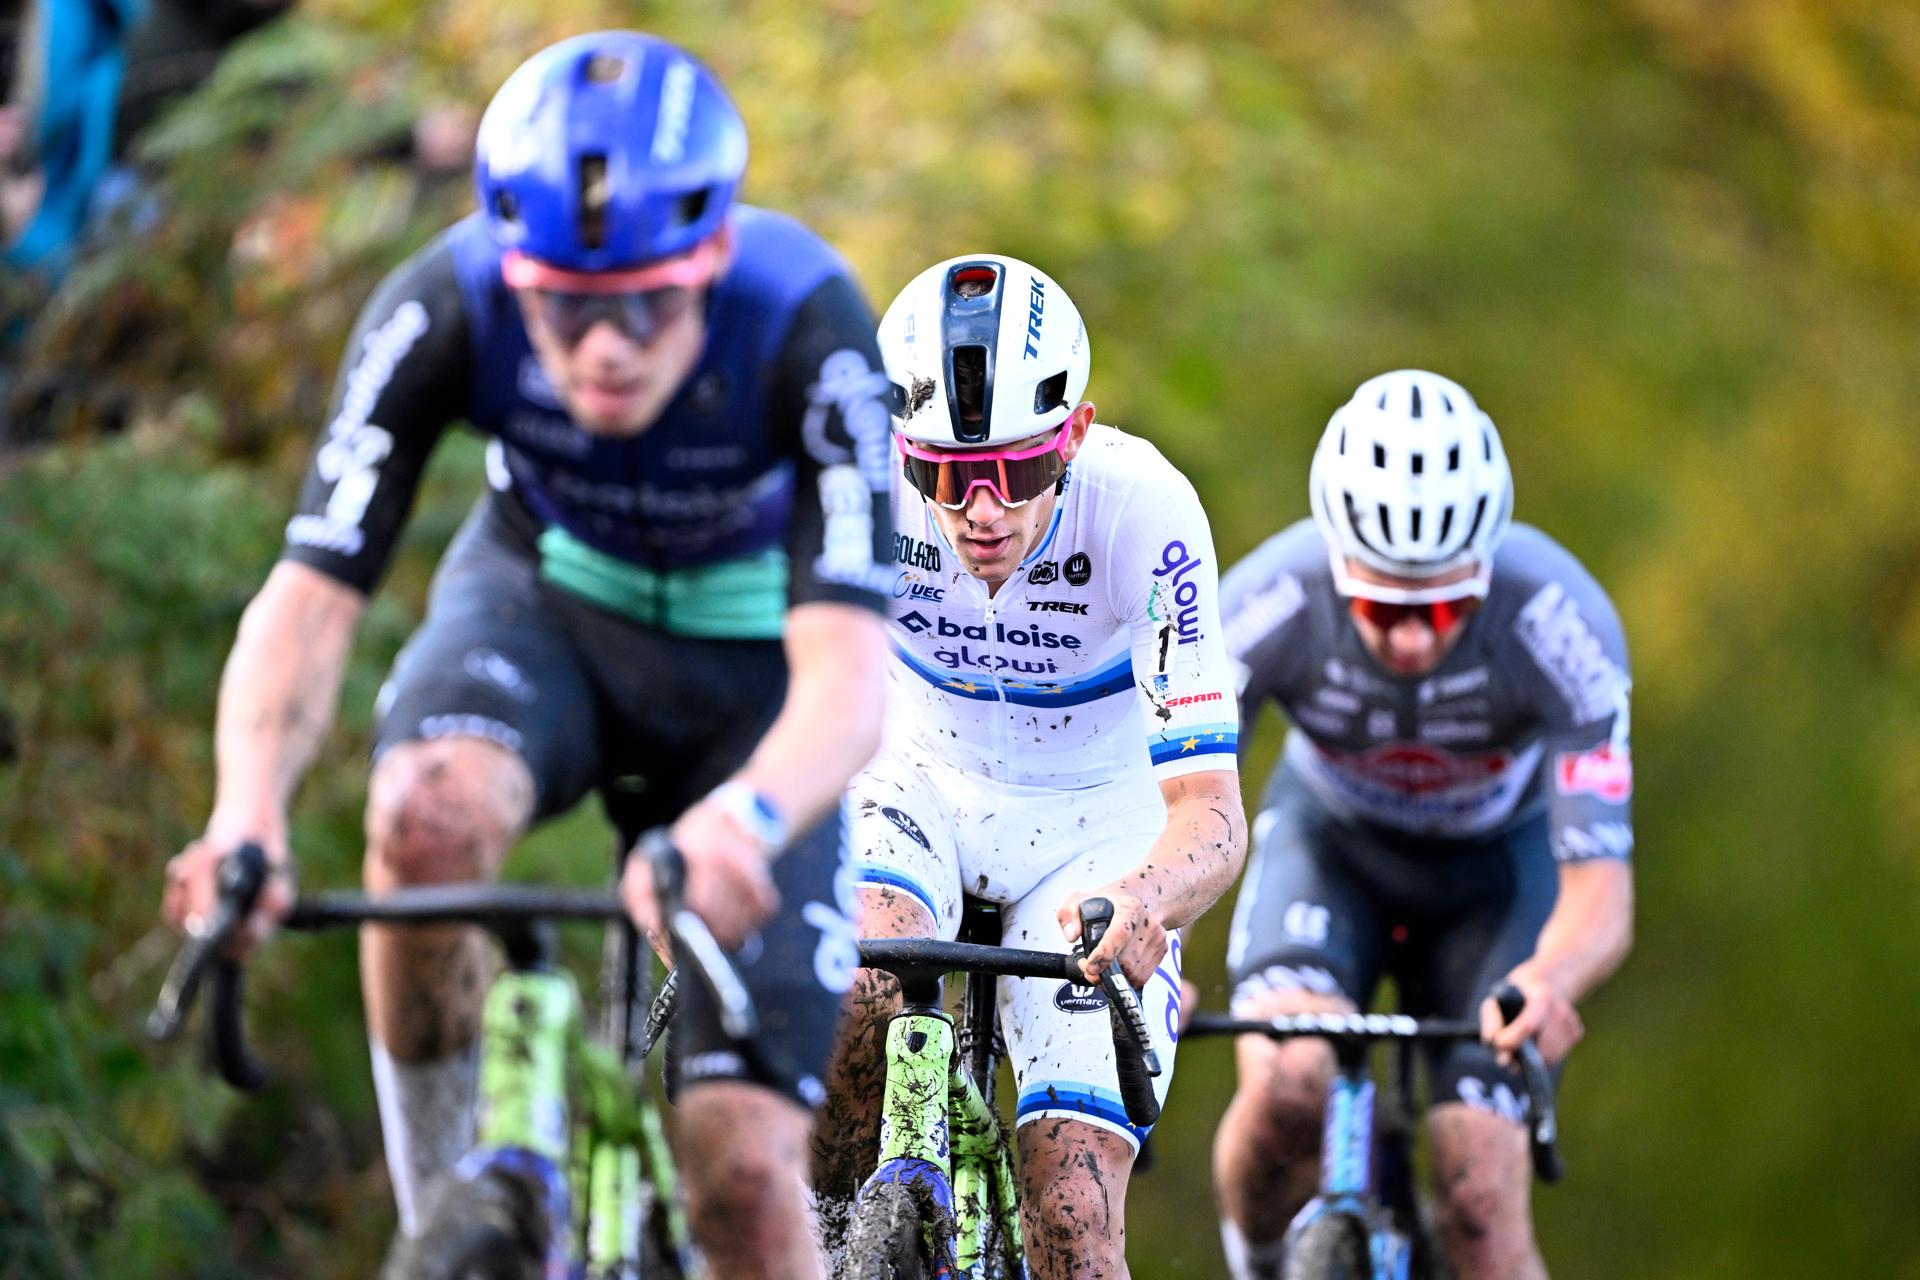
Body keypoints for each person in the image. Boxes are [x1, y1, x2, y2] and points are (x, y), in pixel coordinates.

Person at [159, 31, 895, 1279]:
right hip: (546, 611)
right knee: (425, 816)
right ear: (514, 272)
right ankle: (441, 1209)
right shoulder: (442, 302)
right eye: (566, 306)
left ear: (714, 254)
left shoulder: (806, 319)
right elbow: (311, 595)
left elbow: (851, 671)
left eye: (649, 302)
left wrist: (751, 817)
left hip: (754, 678)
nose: (608, 345)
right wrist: (247, 813)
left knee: (743, 1171)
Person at [810, 254, 1249, 1278]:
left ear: (1076, 435)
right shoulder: (858, 486)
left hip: (1097, 833)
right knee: (856, 983)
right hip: (915, 778)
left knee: (1074, 1207)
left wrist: (1146, 898)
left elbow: (1213, 811)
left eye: (1018, 471)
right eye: (946, 474)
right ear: (902, 451)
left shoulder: (1145, 509)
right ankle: (816, 1239)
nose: (982, 509)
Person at [1210, 369, 1635, 1279]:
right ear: (1337, 566)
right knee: (1287, 1089)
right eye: (1381, 608)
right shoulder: (1265, 601)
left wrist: (1552, 979)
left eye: (1444, 607)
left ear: (1485, 571)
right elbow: (1179, 806)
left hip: (1498, 878)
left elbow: (1602, 889)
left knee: (1479, 1193)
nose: (1412, 639)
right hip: (1329, 847)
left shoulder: (1560, 620)